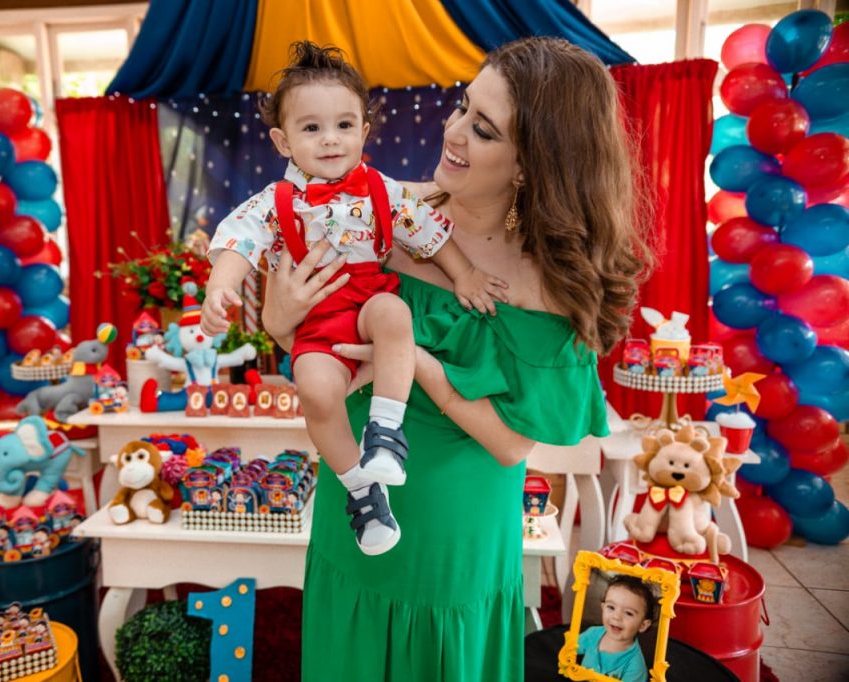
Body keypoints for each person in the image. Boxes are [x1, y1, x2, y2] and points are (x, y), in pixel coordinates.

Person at [262, 36, 651, 679]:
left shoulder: (550, 282)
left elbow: (511, 445)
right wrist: (279, 322)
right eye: (463, 106)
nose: (454, 132)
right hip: (354, 506)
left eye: (484, 129)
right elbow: (314, 353)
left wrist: (413, 361)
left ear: (532, 163)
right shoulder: (381, 213)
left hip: (454, 534)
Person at [203, 41, 508, 556]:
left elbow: (429, 233)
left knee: (394, 314)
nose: (330, 139)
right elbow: (239, 240)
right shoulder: (275, 202)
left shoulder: (384, 191)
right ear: (282, 141)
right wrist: (220, 285)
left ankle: (385, 431)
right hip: (317, 323)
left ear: (364, 132)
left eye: (344, 125)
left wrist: (465, 275)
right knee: (315, 391)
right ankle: (362, 490)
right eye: (311, 128)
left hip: (367, 299)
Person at [577, 576, 655, 682]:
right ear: (603, 608)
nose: (616, 617)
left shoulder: (635, 667)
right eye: (611, 607)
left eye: (628, 613)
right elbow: (568, 650)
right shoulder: (592, 634)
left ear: (643, 625)